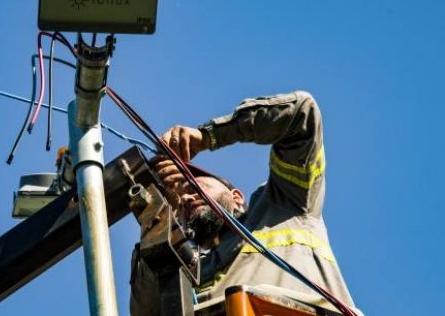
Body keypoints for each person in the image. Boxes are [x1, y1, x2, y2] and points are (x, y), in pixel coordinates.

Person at [130, 91, 358, 315]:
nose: (186, 199)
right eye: (179, 206)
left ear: (236, 197)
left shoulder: (284, 204)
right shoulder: (189, 272)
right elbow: (146, 311)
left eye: (193, 186)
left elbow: (301, 112)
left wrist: (208, 136)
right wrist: (158, 216)